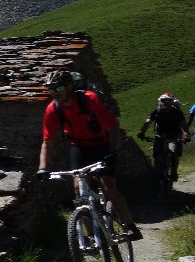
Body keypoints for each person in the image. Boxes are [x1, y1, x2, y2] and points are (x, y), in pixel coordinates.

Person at [38, 70, 142, 240]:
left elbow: (112, 128)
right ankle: (92, 236)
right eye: (51, 90)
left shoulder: (89, 99)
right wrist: (43, 168)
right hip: (79, 147)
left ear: (70, 87)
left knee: (108, 186)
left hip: (102, 144)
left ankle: (130, 227)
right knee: (79, 190)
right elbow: (47, 141)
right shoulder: (53, 109)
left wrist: (112, 152)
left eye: (59, 88)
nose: (55, 93)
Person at [137, 92, 191, 183]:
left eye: (168, 101)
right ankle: (157, 172)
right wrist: (142, 132)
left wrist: (186, 134)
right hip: (160, 136)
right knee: (157, 155)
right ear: (160, 101)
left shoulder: (177, 112)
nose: (165, 103)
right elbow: (148, 122)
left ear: (171, 102)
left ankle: (174, 173)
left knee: (174, 152)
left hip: (174, 136)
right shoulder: (156, 111)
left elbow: (184, 125)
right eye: (163, 101)